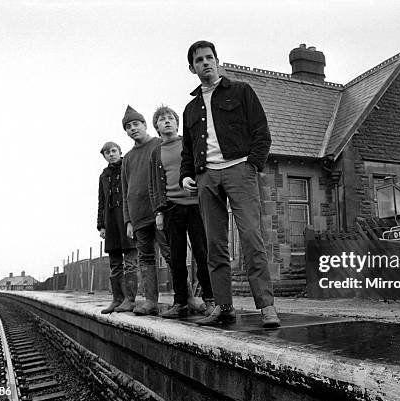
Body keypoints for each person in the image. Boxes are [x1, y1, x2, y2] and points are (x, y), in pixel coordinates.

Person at [180, 40, 280, 327]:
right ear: (192, 68)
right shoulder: (189, 109)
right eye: (199, 60)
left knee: (251, 238)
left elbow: (262, 133)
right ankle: (224, 307)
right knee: (215, 245)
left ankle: (267, 307)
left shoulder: (241, 91)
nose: (205, 63)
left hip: (240, 170)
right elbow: (188, 150)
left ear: (217, 61)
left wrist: (251, 166)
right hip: (206, 177)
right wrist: (187, 174)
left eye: (210, 57)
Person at [149, 105, 215, 318]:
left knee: (201, 253)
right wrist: (159, 212)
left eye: (170, 118)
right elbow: (154, 185)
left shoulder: (190, 142)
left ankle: (210, 299)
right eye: (162, 119)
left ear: (178, 123)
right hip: (172, 209)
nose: (167, 121)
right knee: (176, 257)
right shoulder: (156, 152)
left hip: (196, 205)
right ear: (157, 127)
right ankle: (180, 303)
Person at [120, 105, 163, 315]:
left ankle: (186, 298)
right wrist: (128, 220)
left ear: (145, 125)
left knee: (171, 253)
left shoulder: (159, 144)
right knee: (145, 258)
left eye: (136, 124)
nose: (132, 129)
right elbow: (125, 191)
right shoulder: (126, 158)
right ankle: (150, 301)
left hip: (160, 211)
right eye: (128, 127)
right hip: (138, 217)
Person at [97, 141, 138, 314]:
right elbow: (101, 201)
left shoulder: (127, 166)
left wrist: (133, 220)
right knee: (115, 263)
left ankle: (130, 299)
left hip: (127, 218)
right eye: (107, 152)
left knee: (130, 261)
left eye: (114, 151)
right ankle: (117, 299)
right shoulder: (104, 175)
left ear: (120, 152)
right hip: (111, 222)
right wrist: (101, 225)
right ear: (104, 156)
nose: (111, 154)